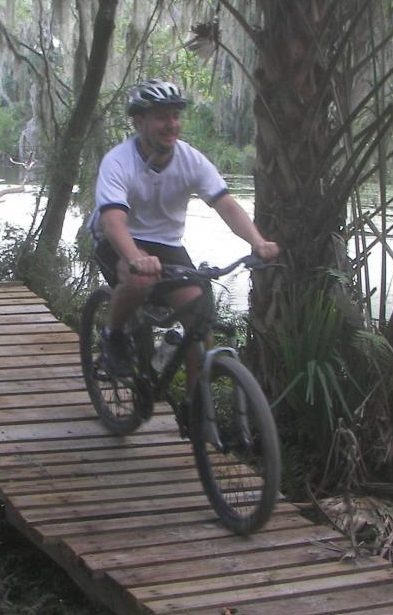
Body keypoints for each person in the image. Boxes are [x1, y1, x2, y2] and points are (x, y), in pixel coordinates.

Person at [88, 78, 280, 386]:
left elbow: (226, 205)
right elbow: (113, 221)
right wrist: (135, 257)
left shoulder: (191, 159)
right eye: (162, 117)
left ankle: (196, 405)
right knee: (139, 276)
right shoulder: (118, 161)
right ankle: (113, 336)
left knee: (197, 311)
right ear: (139, 122)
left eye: (175, 116)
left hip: (165, 243)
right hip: (119, 237)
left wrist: (258, 242)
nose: (171, 124)